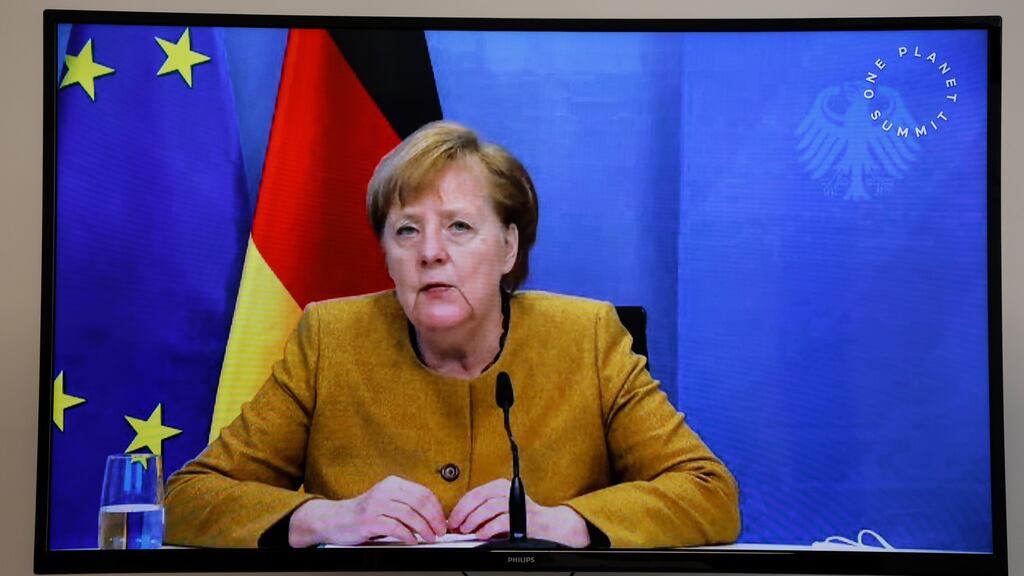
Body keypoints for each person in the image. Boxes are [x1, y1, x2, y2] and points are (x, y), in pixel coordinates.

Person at [164, 121, 740, 549]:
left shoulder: (587, 338)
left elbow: (709, 493)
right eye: (407, 230)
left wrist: (566, 521)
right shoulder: (329, 338)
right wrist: (325, 518)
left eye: (459, 227)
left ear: (509, 248)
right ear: (387, 256)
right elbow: (189, 499)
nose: (431, 252)